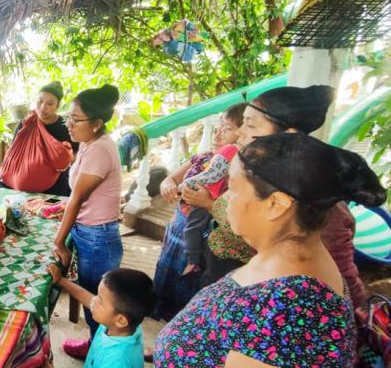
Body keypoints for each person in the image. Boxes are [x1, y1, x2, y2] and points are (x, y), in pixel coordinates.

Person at [128, 133, 386, 368]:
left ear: (276, 204)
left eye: (232, 189)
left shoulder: (296, 315)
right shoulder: (281, 261)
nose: (222, 198)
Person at [183, 86, 369, 307]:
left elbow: (343, 282)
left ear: (288, 134)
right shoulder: (250, 169)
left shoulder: (314, 198)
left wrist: (210, 204)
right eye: (242, 122)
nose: (240, 132)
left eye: (250, 124)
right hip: (228, 273)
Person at [152, 104, 245, 321]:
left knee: (188, 285)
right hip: (177, 228)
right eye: (220, 125)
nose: (219, 131)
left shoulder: (235, 165)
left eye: (228, 128)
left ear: (242, 134)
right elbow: (171, 178)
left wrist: (207, 201)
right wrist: (167, 185)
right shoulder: (203, 156)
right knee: (167, 277)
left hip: (200, 235)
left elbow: (227, 205)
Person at [52, 84, 122, 360]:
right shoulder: (89, 144)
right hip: (89, 232)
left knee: (99, 304)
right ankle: (94, 344)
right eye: (68, 116)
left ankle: (100, 358)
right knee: (91, 297)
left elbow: (78, 197)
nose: (68, 123)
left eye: (75, 119)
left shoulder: (100, 150)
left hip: (98, 237)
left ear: (96, 124)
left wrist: (59, 240)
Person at [177, 116, 242, 275]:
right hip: (209, 200)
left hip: (207, 199)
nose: (218, 134)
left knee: (192, 229)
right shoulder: (218, 152)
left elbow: (212, 175)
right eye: (217, 129)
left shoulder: (230, 150)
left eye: (226, 129)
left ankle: (193, 262)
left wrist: (188, 183)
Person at [9, 81, 79, 196]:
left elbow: (77, 152)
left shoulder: (65, 127)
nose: (43, 107)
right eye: (40, 101)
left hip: (57, 187)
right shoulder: (26, 124)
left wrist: (66, 160)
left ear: (58, 105)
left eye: (50, 104)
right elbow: (13, 151)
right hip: (26, 189)